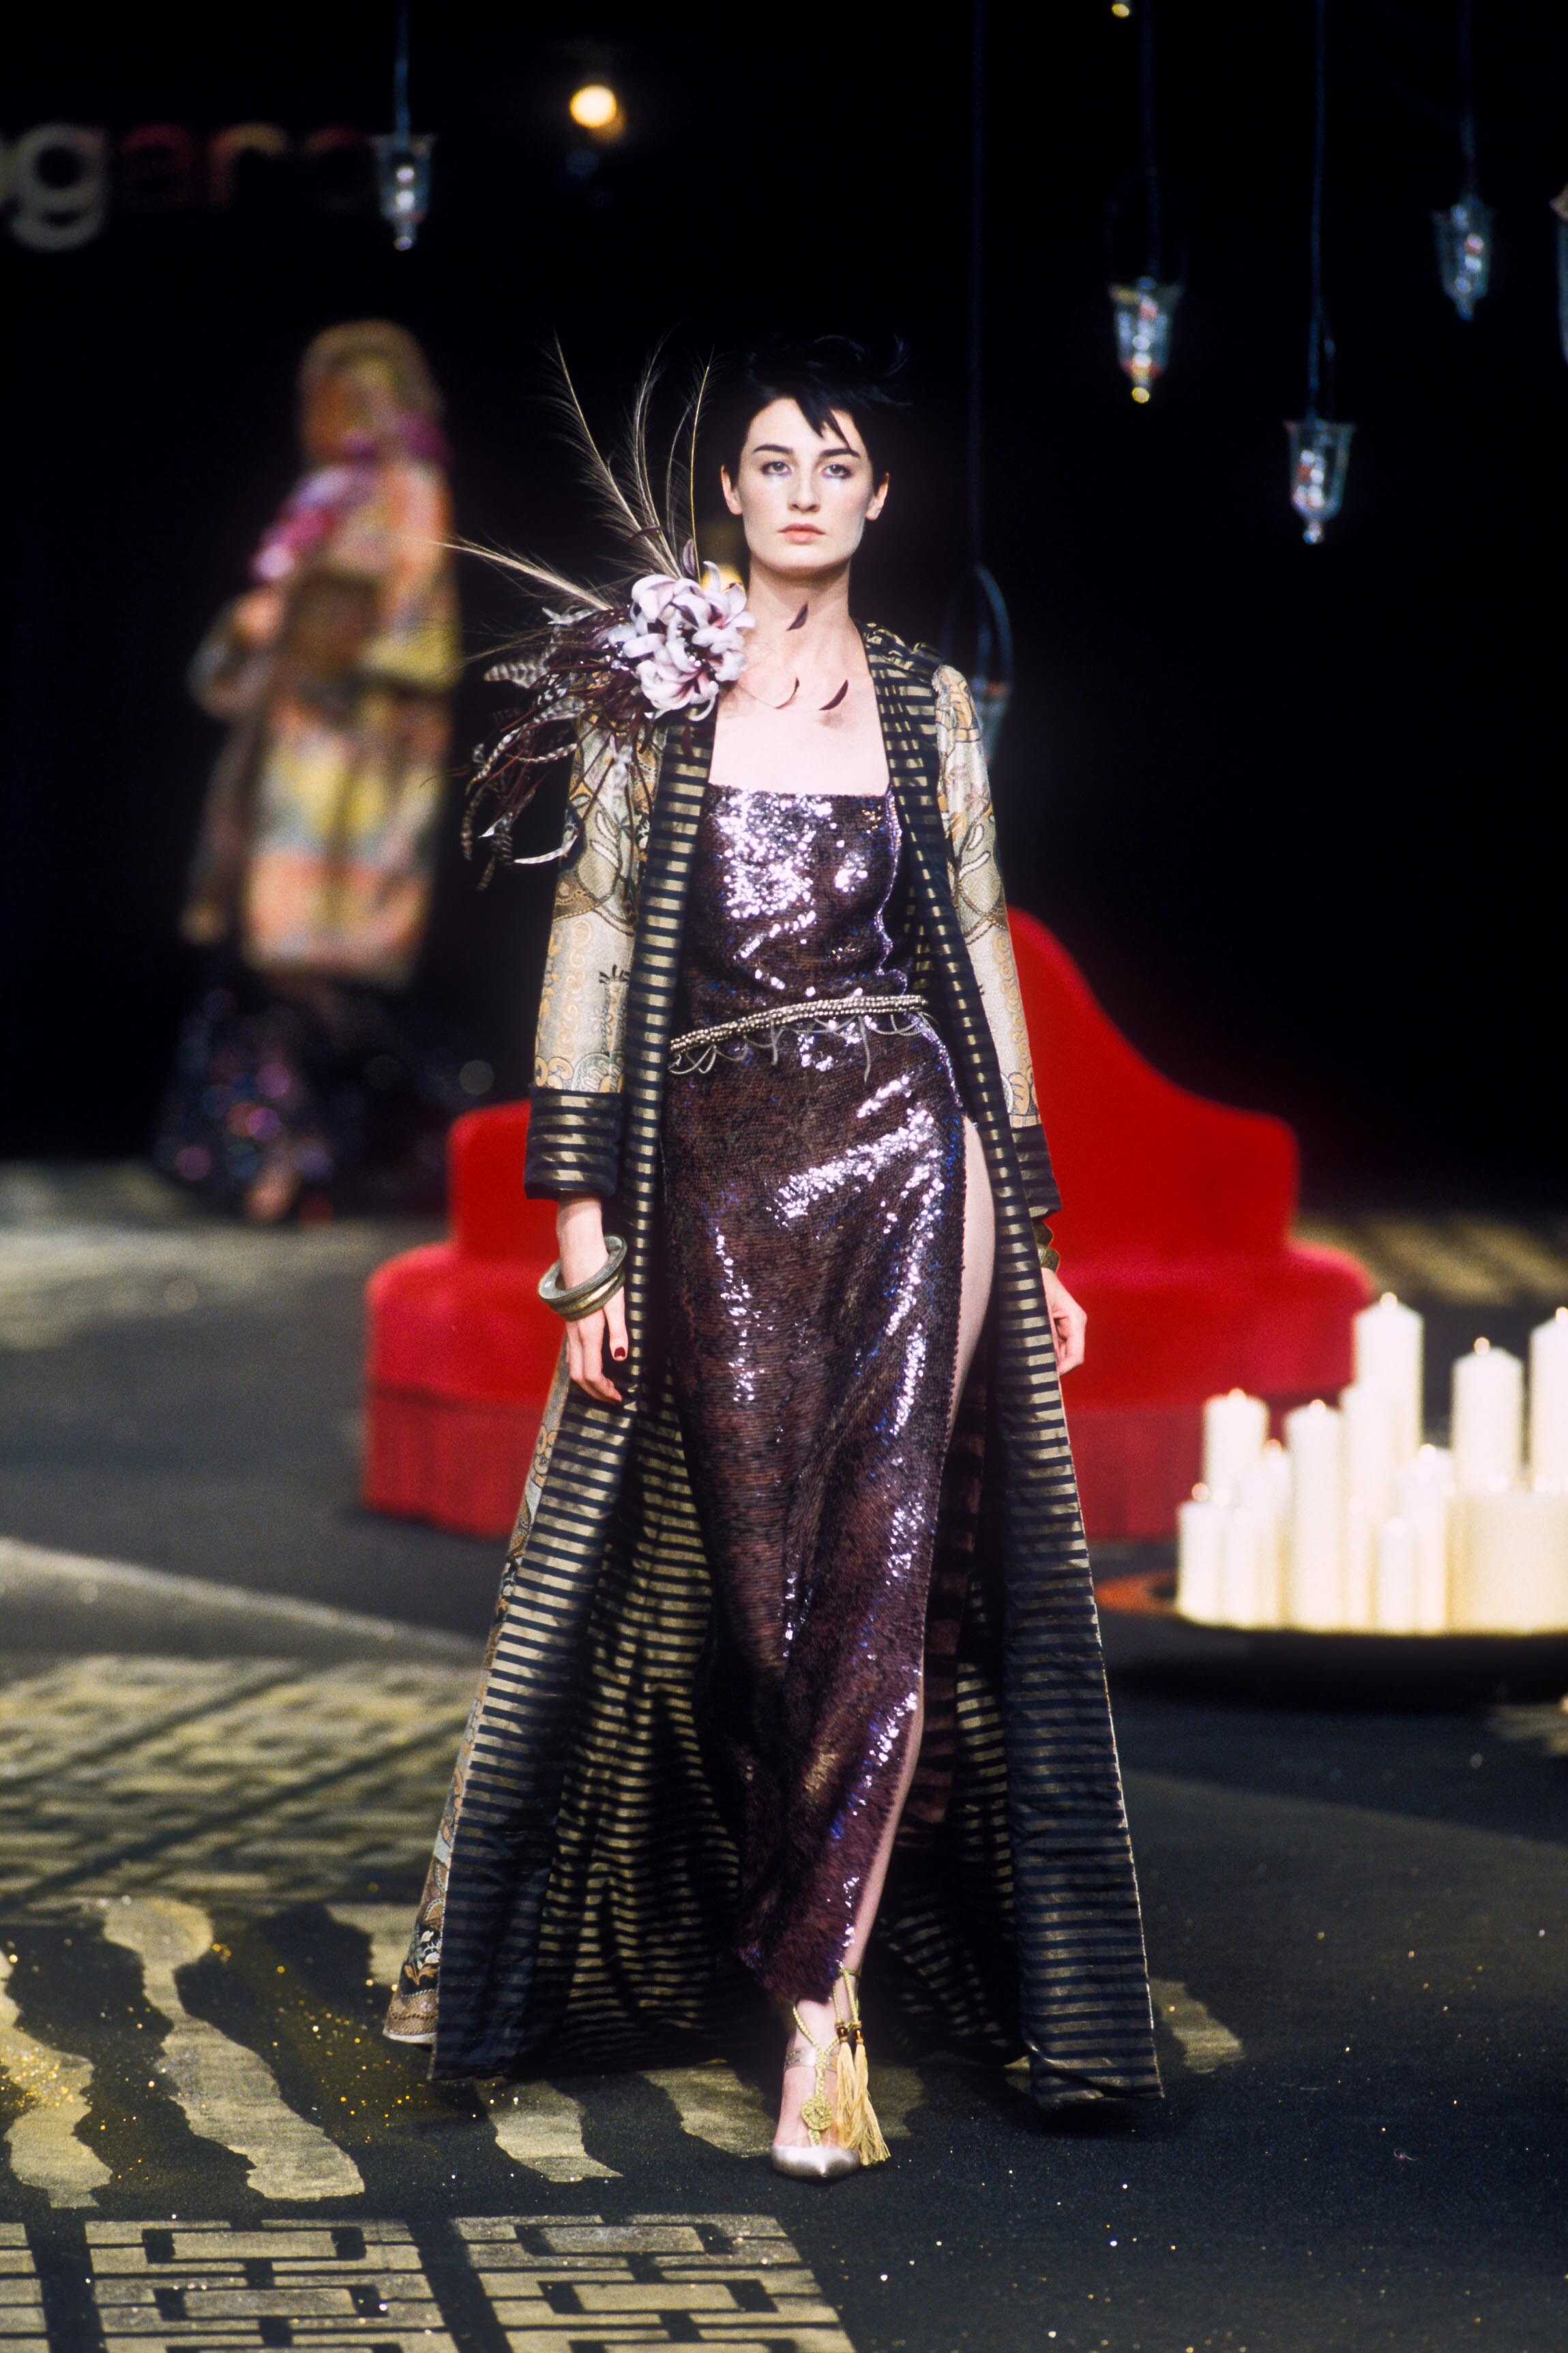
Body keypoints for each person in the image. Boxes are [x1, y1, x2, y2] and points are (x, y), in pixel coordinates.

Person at [385, 338, 1159, 2176]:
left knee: (885, 1567)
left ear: (876, 500)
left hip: (914, 1149)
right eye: (772, 463)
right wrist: (582, 1241)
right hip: (715, 1176)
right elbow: (587, 949)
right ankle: (756, 1923)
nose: (803, 493)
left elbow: (976, 955)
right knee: (760, 1597)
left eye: (836, 467)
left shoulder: (928, 703)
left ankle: (824, 2016)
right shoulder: (645, 682)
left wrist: (1031, 1227)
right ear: (729, 490)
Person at [156, 321, 463, 1223]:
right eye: (327, 395)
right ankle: (284, 1156)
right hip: (288, 752)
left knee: (313, 963)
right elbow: (259, 637)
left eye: (362, 396)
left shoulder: (408, 492)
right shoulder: (322, 496)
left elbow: (418, 641)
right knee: (263, 963)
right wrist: (260, 630)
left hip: (354, 774)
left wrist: (320, 633)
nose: (341, 413)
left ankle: (434, 1126)